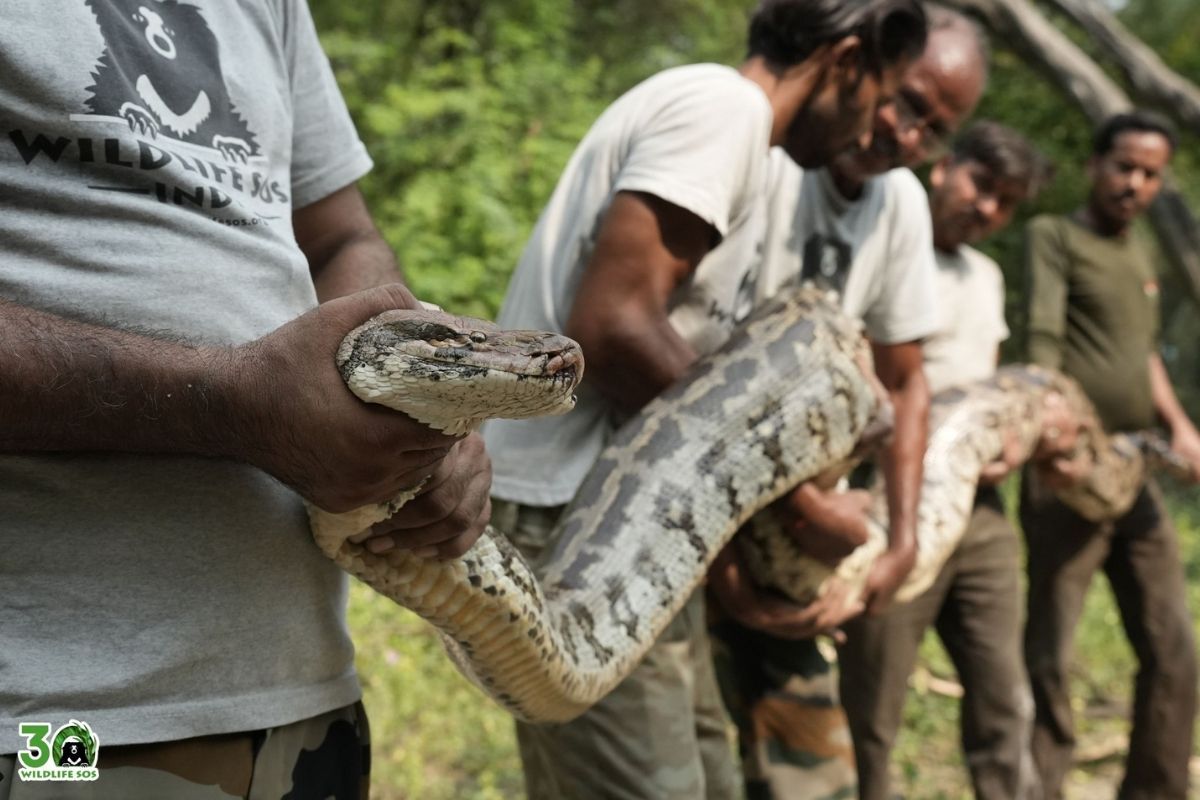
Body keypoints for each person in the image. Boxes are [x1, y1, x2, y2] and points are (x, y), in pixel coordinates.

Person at [0, 2, 493, 796]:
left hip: (300, 703)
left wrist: (420, 396)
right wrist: (227, 404)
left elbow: (341, 237)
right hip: (48, 730)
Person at [480, 1, 930, 797]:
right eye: (878, 95)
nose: (870, 128)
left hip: (636, 513)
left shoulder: (749, 144)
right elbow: (612, 325)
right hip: (576, 515)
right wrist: (793, 503)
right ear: (847, 62)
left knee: (711, 780)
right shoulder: (722, 111)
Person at [709, 8, 991, 798]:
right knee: (680, 764)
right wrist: (730, 556)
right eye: (907, 101)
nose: (906, 134)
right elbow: (680, 362)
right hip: (707, 508)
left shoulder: (897, 203)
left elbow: (907, 380)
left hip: (794, 535)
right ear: (862, 71)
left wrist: (899, 543)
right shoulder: (767, 158)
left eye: (936, 130)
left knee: (813, 777)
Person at [838, 121, 1052, 800]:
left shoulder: (985, 277)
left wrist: (1010, 441)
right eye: (981, 185)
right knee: (872, 705)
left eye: (1006, 201)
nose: (987, 208)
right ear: (945, 168)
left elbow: (992, 384)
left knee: (1004, 699)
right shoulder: (876, 248)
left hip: (982, 513)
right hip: (891, 496)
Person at [1022, 110, 1200, 800]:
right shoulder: (1055, 237)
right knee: (1051, 652)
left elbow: (1144, 354)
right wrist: (1051, 436)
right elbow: (1041, 338)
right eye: (1124, 166)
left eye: (1150, 174)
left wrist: (1180, 425)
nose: (1135, 183)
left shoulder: (1140, 255)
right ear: (1095, 165)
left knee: (1173, 646)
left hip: (1135, 470)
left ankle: (1156, 790)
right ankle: (1038, 788)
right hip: (1069, 470)